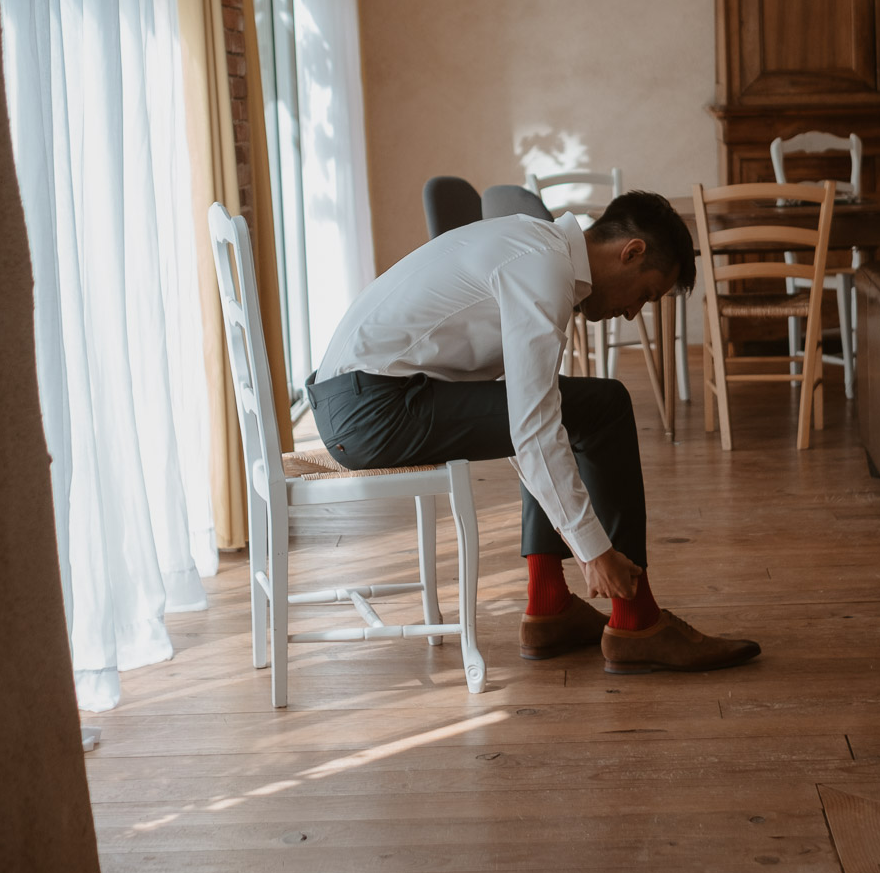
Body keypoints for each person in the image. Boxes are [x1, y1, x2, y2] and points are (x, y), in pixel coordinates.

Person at [307, 190, 761, 674]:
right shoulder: (544, 270)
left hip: (355, 403)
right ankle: (636, 620)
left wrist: (585, 539)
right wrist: (594, 551)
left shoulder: (533, 245)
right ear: (631, 252)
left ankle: (550, 608)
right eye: (646, 294)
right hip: (372, 411)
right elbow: (532, 427)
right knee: (601, 407)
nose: (633, 312)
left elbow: (523, 412)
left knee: (580, 407)